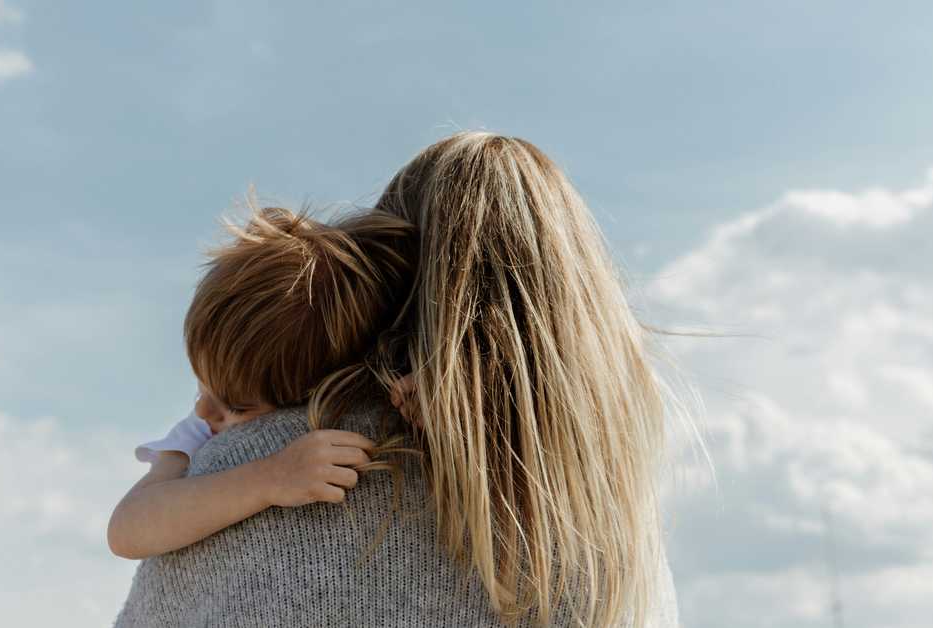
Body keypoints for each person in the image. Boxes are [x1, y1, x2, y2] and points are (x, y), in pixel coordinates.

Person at [114, 131, 681, 627]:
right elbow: (131, 525)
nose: (208, 414)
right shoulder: (613, 523)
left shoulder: (258, 463)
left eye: (232, 400)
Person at [106, 205, 415, 560]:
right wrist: (268, 479)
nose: (202, 409)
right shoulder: (197, 434)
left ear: (309, 394)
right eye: (201, 383)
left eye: (235, 405)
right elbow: (127, 530)